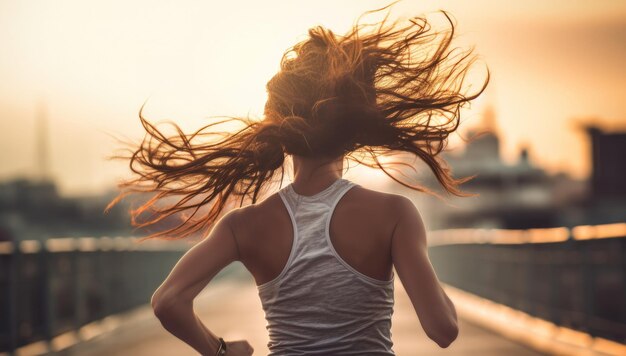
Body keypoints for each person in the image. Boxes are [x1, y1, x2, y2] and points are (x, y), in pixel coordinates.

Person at [107, 3, 489, 355]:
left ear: (279, 127)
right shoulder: (394, 214)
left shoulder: (243, 226)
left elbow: (167, 302)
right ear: (354, 129)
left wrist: (220, 351)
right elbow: (443, 329)